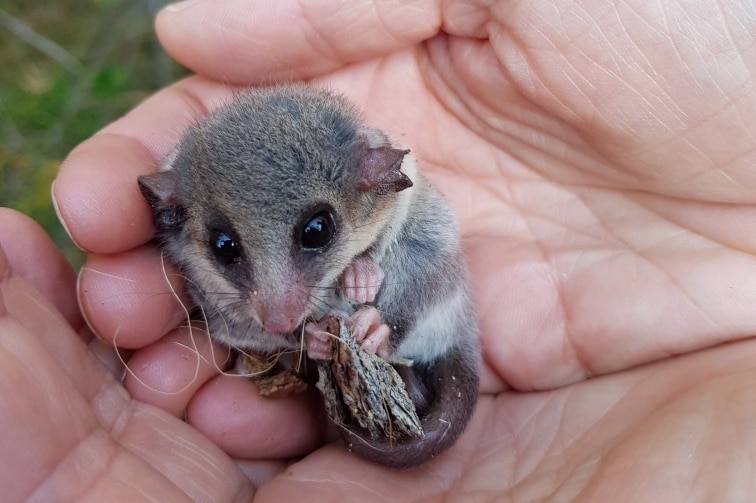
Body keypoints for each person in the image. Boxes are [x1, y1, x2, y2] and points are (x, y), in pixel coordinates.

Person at [2, 0, 756, 500]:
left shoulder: (384, 178)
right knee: (250, 322)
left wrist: (380, 309)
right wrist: (287, 326)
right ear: (178, 214)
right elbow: (248, 320)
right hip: (338, 360)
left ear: (373, 183)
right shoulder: (192, 222)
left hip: (420, 321)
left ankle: (389, 346)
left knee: (430, 237)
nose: (277, 297)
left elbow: (400, 234)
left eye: (314, 234)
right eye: (228, 246)